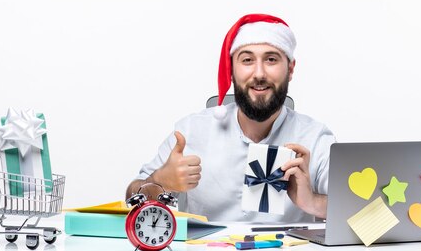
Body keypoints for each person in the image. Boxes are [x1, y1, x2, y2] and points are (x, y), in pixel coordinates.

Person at [125, 14, 336, 222]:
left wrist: (312, 202)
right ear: (231, 70)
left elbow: (364, 216)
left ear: (290, 69)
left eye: (271, 59)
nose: (259, 73)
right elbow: (130, 199)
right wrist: (160, 181)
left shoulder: (315, 138)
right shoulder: (190, 131)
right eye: (247, 60)